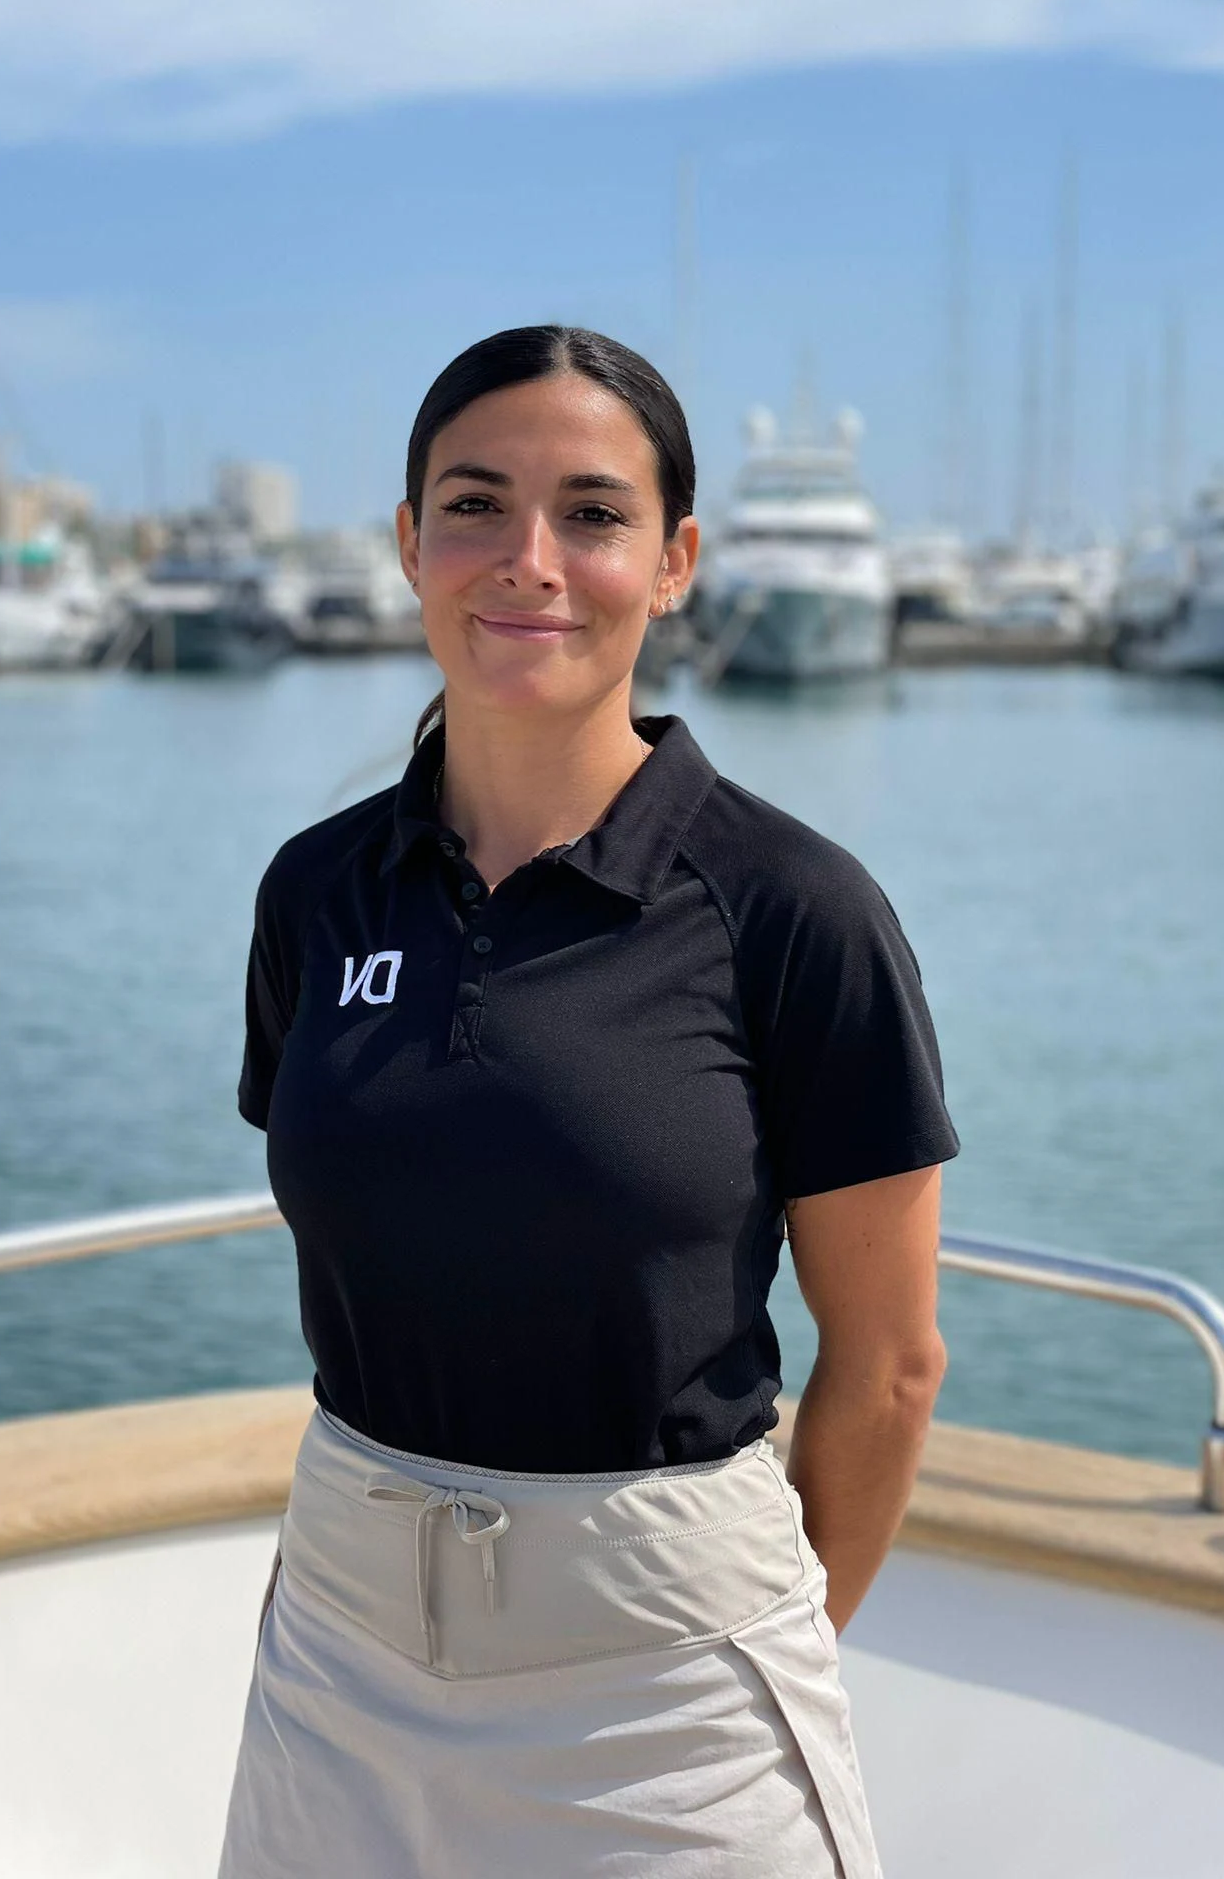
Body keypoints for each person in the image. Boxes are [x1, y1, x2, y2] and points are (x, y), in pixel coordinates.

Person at [219, 326, 958, 1879]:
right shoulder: (316, 894)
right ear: (409, 544)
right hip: (338, 1658)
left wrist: (741, 1645)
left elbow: (889, 1368)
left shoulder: (795, 910)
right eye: (475, 507)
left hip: (668, 1703)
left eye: (595, 515)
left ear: (675, 562)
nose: (530, 561)